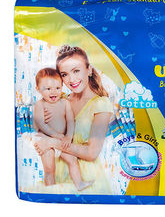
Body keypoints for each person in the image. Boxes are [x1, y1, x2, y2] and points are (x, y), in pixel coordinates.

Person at [34, 46, 113, 194]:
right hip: (58, 175)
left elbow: (91, 153)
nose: (71, 79)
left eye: (76, 71)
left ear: (89, 69)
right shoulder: (60, 100)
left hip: (87, 180)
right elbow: (40, 127)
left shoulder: (101, 104)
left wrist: (52, 142)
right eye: (64, 74)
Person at [33, 67, 93, 190]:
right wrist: (55, 135)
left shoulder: (65, 103)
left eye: (57, 88)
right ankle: (51, 190)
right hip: (45, 140)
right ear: (38, 89)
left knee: (72, 160)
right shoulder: (40, 105)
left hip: (61, 141)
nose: (53, 92)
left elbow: (71, 121)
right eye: (48, 89)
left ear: (62, 87)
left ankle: (79, 184)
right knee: (49, 168)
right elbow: (41, 124)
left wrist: (69, 136)